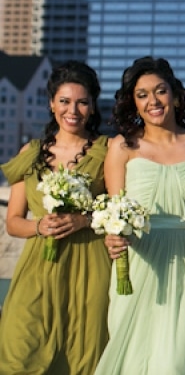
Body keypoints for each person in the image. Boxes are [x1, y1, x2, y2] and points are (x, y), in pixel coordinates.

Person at [95, 56, 185, 374]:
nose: (153, 100)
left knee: (178, 360)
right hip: (139, 265)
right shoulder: (122, 147)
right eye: (142, 94)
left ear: (176, 95)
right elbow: (115, 213)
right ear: (133, 104)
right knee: (135, 359)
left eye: (160, 91)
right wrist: (113, 239)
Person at [0, 61, 110, 375]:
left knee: (82, 356)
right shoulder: (30, 153)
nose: (72, 109)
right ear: (51, 104)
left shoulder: (106, 150)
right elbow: (13, 221)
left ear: (91, 107)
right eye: (64, 101)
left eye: (82, 102)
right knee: (19, 352)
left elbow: (119, 206)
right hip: (37, 267)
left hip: (88, 266)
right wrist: (38, 225)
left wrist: (84, 220)